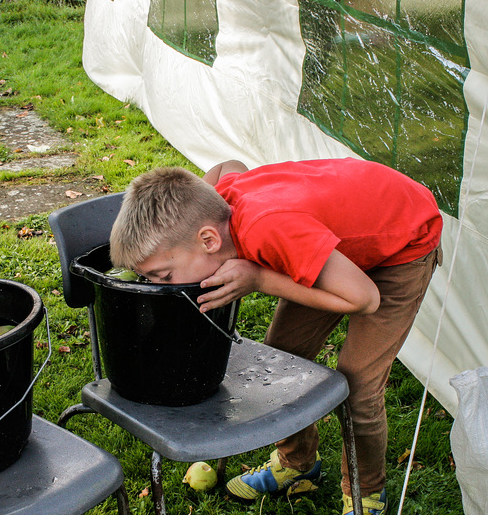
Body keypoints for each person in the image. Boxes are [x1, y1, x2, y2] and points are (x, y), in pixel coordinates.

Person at [109, 158, 443, 515]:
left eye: (163, 275)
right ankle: (298, 465)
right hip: (333, 238)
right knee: (282, 358)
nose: (161, 287)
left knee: (358, 386)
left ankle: (367, 494)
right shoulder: (216, 204)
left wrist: (260, 279)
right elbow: (227, 167)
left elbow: (364, 299)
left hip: (402, 244)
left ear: (208, 239)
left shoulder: (268, 230)